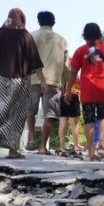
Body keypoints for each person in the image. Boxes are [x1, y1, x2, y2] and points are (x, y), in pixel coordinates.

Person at [0, 8, 47, 159]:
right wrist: (43, 82)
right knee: (18, 113)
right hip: (19, 81)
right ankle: (13, 150)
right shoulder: (25, 36)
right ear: (21, 19)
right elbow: (35, 62)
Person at [64, 23, 104, 161]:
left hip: (88, 89)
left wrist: (68, 91)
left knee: (89, 120)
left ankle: (91, 153)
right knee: (102, 116)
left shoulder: (80, 51)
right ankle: (101, 143)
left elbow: (72, 73)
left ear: (84, 36)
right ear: (99, 35)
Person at [26, 11, 70, 154]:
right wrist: (65, 83)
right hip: (52, 80)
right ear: (54, 23)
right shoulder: (61, 40)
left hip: (32, 78)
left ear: (38, 21)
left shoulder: (30, 36)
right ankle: (43, 147)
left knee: (30, 110)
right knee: (49, 114)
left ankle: (31, 139)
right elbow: (66, 65)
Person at [59, 75, 84, 154]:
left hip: (62, 97)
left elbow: (60, 87)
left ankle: (62, 146)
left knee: (62, 124)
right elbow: (81, 89)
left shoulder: (63, 75)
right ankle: (76, 145)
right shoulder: (76, 76)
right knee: (75, 124)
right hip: (73, 97)